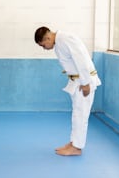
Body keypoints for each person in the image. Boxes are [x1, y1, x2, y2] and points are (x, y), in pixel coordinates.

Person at [34, 26, 101, 156]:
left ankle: (77, 147)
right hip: (78, 81)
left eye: (43, 45)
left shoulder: (65, 39)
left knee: (81, 115)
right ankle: (74, 143)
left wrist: (86, 83)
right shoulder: (59, 42)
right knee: (77, 114)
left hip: (84, 82)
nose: (45, 48)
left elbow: (81, 59)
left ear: (48, 38)